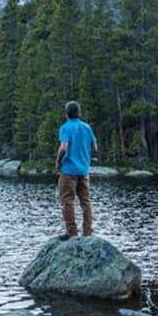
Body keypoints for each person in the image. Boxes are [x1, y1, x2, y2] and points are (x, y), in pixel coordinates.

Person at [55, 101, 97, 240]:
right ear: (79, 112)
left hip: (68, 170)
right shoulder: (87, 127)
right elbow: (94, 147)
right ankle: (88, 232)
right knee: (86, 201)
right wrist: (85, 158)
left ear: (66, 113)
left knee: (67, 200)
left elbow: (64, 147)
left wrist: (58, 161)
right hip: (83, 171)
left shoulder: (65, 128)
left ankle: (72, 233)